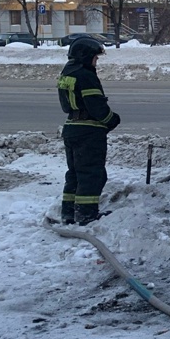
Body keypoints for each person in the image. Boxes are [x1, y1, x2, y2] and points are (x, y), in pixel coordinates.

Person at [57, 36, 120, 224]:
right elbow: (96, 106)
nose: (96, 61)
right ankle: (87, 214)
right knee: (92, 174)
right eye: (95, 57)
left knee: (74, 173)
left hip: (71, 128)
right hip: (88, 131)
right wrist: (112, 120)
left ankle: (68, 212)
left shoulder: (67, 73)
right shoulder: (86, 75)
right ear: (85, 56)